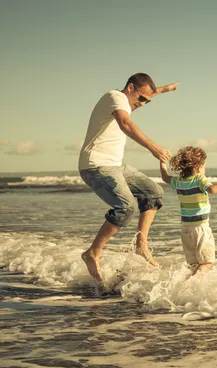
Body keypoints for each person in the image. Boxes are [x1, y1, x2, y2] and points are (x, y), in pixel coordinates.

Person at [79, 73, 179, 285]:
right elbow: (126, 124)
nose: (142, 104)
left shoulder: (129, 98)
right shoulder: (114, 96)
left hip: (115, 166)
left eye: (147, 101)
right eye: (141, 99)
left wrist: (162, 90)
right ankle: (92, 253)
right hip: (95, 165)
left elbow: (145, 94)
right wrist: (154, 148)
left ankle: (140, 243)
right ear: (130, 88)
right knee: (127, 207)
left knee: (154, 192)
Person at [159, 146, 217, 276]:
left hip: (185, 229)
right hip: (201, 228)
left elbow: (165, 177)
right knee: (207, 263)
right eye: (204, 166)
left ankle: (186, 289)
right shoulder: (199, 179)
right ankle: (192, 286)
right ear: (198, 167)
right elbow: (213, 190)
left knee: (194, 265)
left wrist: (162, 162)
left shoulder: (178, 181)